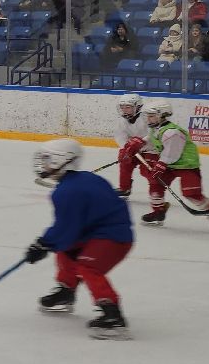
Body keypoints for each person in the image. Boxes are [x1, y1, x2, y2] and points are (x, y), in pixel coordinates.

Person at [28, 139, 134, 340]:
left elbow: (65, 229)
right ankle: (66, 290)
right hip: (93, 233)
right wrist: (49, 243)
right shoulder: (81, 180)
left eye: (48, 159)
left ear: (64, 161)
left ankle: (112, 315)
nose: (43, 163)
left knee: (87, 267)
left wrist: (43, 244)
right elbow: (68, 232)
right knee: (66, 249)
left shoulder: (67, 192)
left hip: (114, 237)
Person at [135, 102, 209, 228]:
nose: (148, 119)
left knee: (191, 194)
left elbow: (172, 153)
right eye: (148, 116)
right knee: (155, 184)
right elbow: (152, 140)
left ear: (162, 115)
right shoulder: (156, 129)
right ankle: (158, 211)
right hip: (170, 165)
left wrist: (160, 165)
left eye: (152, 116)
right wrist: (139, 143)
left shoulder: (172, 132)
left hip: (187, 165)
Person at [113, 93, 152, 200]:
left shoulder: (147, 117)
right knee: (125, 163)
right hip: (134, 151)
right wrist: (126, 148)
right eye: (122, 107)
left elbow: (154, 133)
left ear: (138, 106)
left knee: (147, 170)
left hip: (151, 150)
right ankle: (124, 188)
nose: (124, 110)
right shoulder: (121, 121)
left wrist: (142, 141)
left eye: (128, 107)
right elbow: (120, 137)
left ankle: (156, 190)